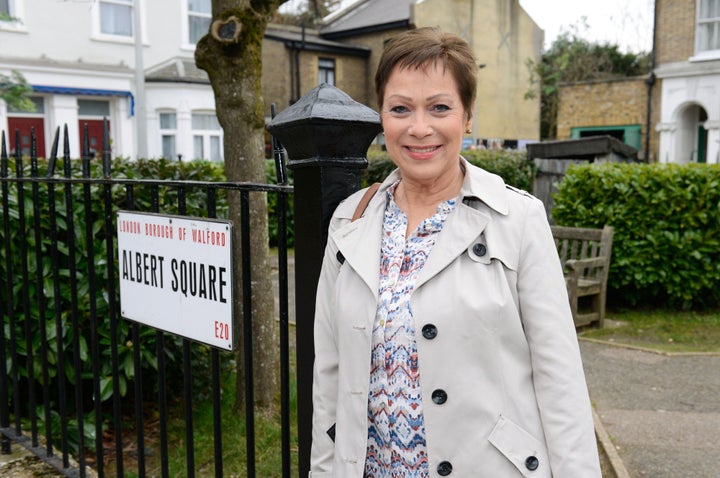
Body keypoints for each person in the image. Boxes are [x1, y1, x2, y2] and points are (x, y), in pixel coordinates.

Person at [310, 27, 601, 477]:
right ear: (382, 117)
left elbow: (560, 381)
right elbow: (328, 377)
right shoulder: (351, 222)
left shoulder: (518, 219)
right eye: (401, 108)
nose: (419, 127)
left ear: (466, 117)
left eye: (439, 107)